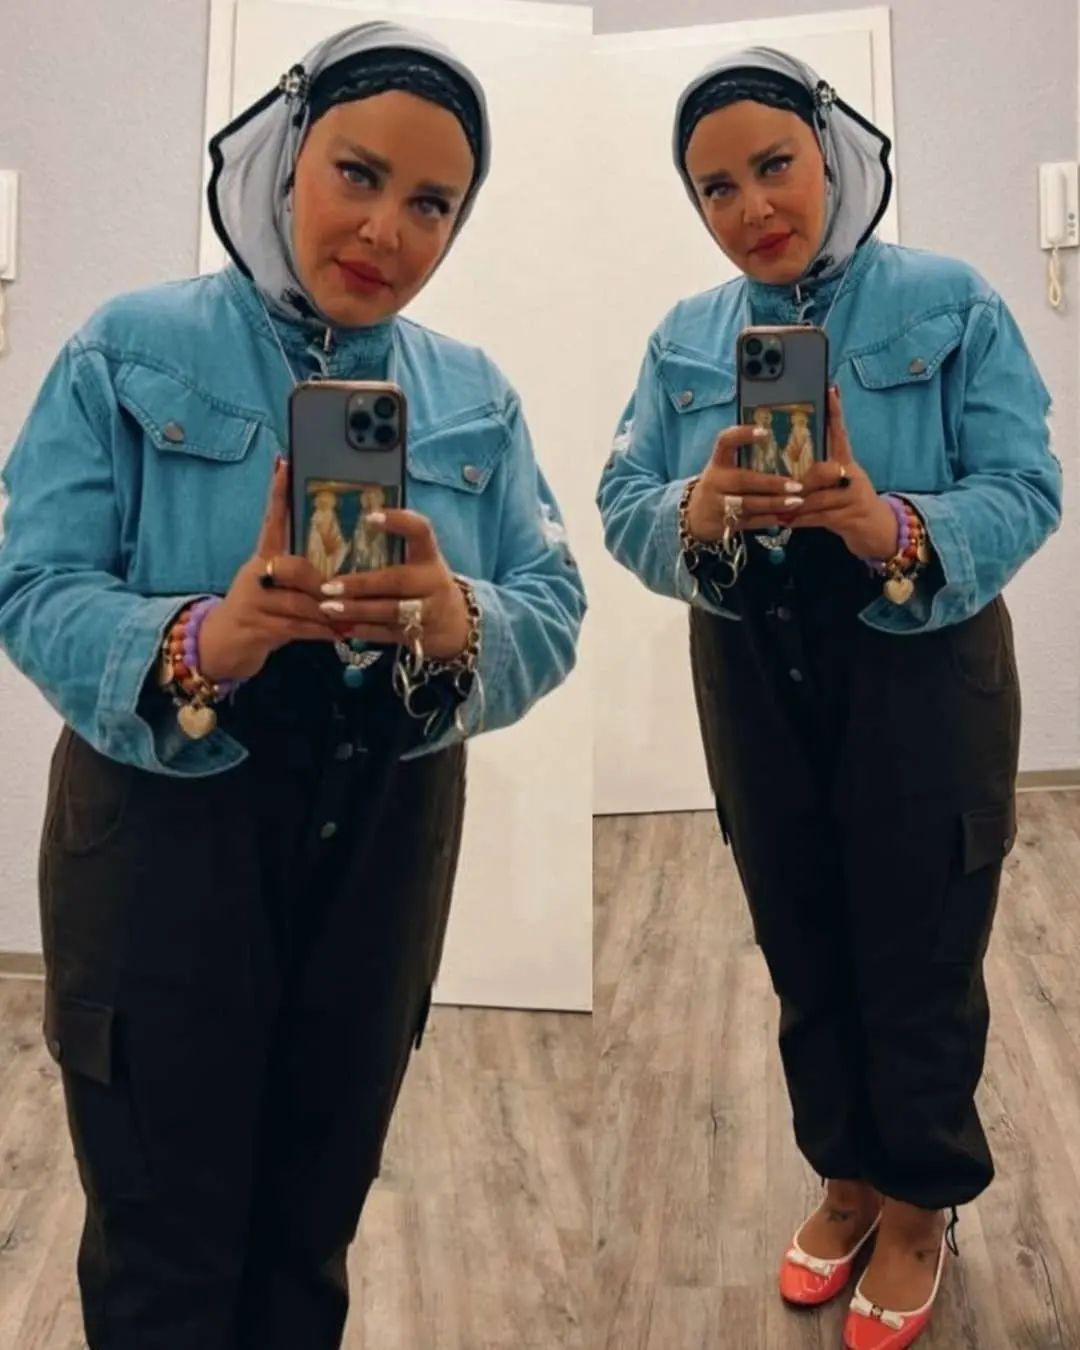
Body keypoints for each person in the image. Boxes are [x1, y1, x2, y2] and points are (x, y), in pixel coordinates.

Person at [0, 21, 584, 1350]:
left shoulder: (474, 396)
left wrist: (457, 619)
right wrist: (209, 637)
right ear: (286, 159)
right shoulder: (127, 348)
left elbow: (554, 606)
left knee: (312, 1225)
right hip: (163, 828)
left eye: (432, 203)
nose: (387, 229)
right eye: (358, 174)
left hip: (385, 830)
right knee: (161, 1242)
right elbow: (32, 584)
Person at [597, 46, 1060, 1350]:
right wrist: (697, 507)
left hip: (921, 657)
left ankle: (919, 1201)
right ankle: (846, 1176)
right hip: (751, 665)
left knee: (922, 944)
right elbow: (621, 500)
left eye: (774, 165)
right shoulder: (685, 340)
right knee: (800, 933)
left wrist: (886, 520)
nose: (751, 206)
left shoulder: (950, 301)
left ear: (832, 154)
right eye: (716, 187)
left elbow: (1027, 485)